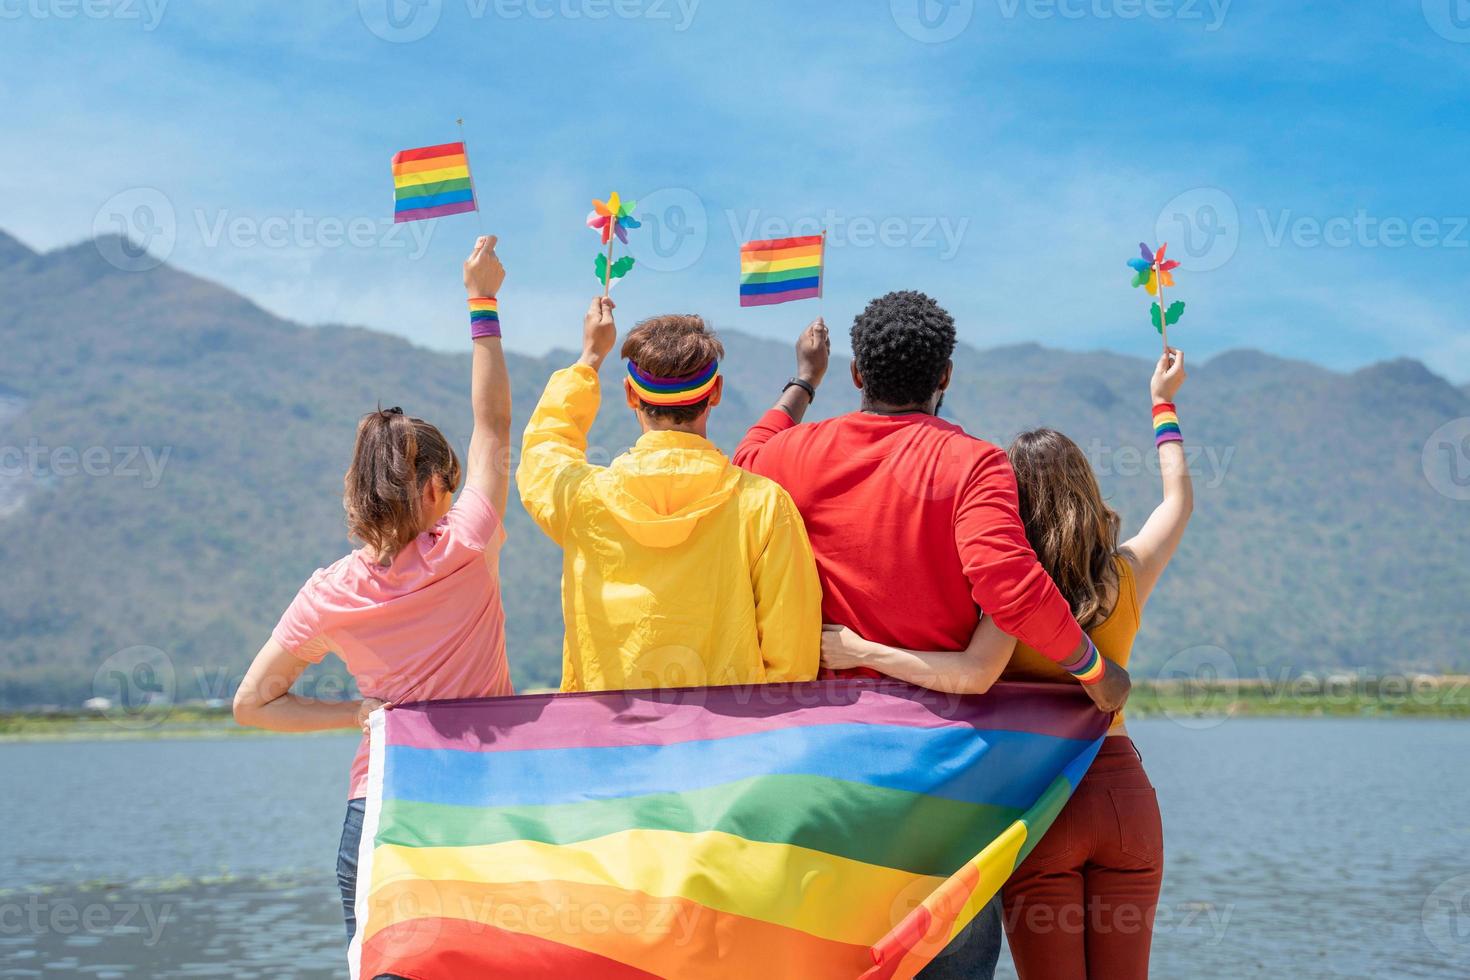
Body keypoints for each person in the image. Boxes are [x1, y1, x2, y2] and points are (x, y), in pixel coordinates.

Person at [732, 291, 1132, 979]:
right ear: (945, 376)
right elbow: (1008, 583)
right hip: (941, 780)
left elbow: (744, 459)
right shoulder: (975, 465)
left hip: (812, 766)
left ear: (858, 375)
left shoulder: (789, 457)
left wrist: (802, 382)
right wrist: (1096, 671)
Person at [824, 347, 1192, 980]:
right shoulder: (1123, 578)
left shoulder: (1001, 597)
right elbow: (1178, 502)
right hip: (1124, 798)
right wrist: (1164, 403)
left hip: (1040, 803)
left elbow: (967, 673)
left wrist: (859, 651)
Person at [232, 236, 515, 943]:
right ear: (429, 489)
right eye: (449, 489)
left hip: (381, 814)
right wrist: (482, 300)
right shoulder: (467, 546)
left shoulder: (328, 594)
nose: (454, 500)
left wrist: (359, 712)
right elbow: (494, 425)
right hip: (480, 805)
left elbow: (253, 705)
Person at [516, 298, 821, 692]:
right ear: (716, 394)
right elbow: (792, 659)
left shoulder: (584, 498)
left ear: (630, 394)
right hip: (728, 744)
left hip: (608, 739)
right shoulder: (764, 505)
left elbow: (543, 450)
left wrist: (590, 358)